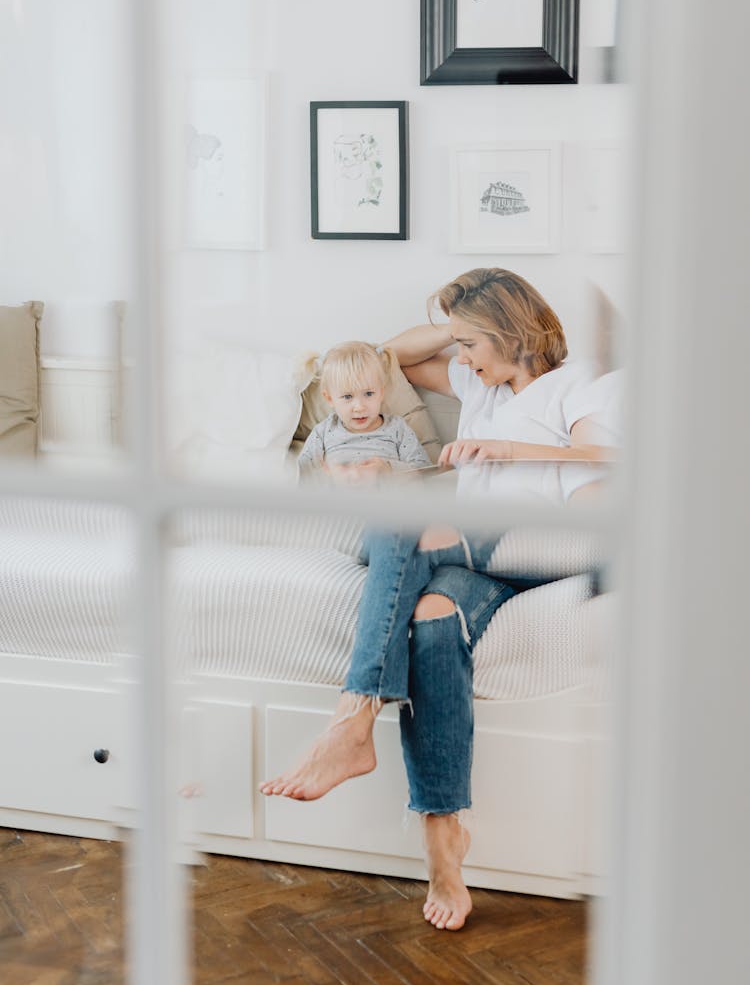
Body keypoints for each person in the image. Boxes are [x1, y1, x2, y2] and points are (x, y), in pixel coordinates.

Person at [260, 268, 619, 932]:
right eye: (454, 343)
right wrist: (459, 328)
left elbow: (605, 461)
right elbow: (388, 354)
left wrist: (512, 452)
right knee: (430, 619)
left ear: (509, 333)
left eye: (470, 343)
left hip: (534, 546)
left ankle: (352, 717)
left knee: (399, 518)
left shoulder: (578, 383)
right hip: (464, 555)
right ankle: (443, 838)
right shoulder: (475, 385)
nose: (458, 358)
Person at [297, 341, 431, 484]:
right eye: (348, 397)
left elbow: (424, 470)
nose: (359, 407)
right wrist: (329, 476)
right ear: (329, 399)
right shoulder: (323, 431)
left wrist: (387, 469)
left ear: (381, 393)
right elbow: (303, 475)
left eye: (368, 394)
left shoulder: (397, 428)